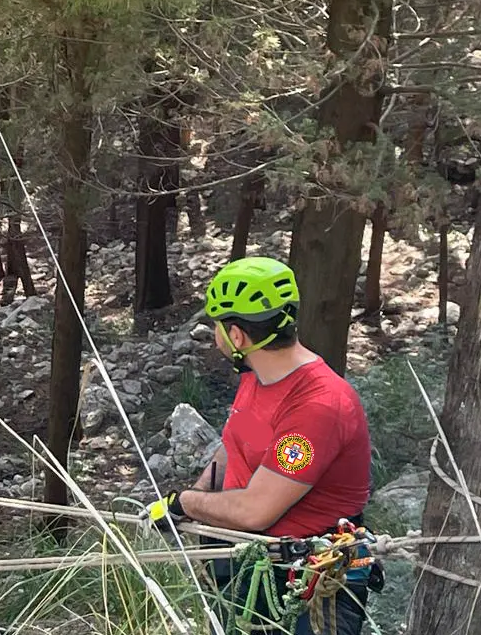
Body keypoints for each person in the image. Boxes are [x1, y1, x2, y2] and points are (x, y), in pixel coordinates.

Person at [145, 256, 375, 634]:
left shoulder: (317, 405)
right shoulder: (259, 375)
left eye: (217, 326)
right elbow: (233, 446)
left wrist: (184, 503)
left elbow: (256, 511)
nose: (215, 335)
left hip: (304, 584)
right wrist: (201, 492)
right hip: (250, 566)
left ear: (237, 336)